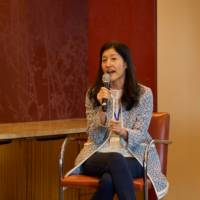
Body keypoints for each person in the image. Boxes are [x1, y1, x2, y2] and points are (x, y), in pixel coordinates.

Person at [65, 41, 168, 200]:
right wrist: (101, 109)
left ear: (126, 63)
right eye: (104, 60)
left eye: (113, 59)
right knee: (115, 159)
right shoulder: (94, 93)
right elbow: (95, 136)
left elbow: (141, 133)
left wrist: (124, 132)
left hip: (134, 156)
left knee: (108, 180)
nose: (108, 64)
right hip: (98, 155)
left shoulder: (143, 94)